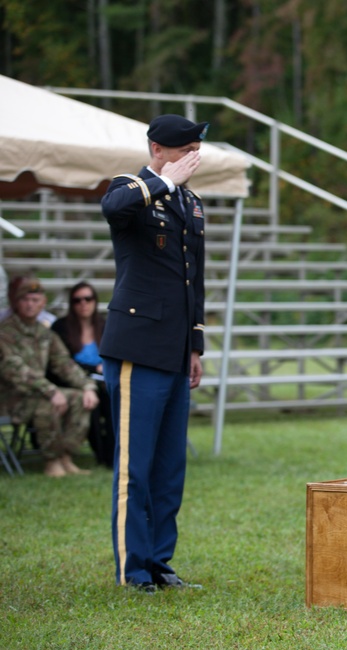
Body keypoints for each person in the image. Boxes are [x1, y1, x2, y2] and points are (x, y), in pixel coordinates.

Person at [100, 114, 207, 593]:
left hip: (173, 350)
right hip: (137, 349)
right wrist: (163, 180)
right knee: (135, 468)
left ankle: (160, 563)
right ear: (158, 149)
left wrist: (196, 346)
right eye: (185, 150)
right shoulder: (135, 187)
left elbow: (194, 282)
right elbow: (113, 210)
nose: (194, 158)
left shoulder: (191, 203)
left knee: (168, 470)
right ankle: (133, 569)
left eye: (195, 150)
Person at [0, 276, 100, 477]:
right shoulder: (5, 333)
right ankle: (51, 461)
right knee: (49, 404)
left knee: (80, 399)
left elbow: (64, 364)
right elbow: (14, 369)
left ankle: (66, 455)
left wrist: (87, 386)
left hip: (39, 394)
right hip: (11, 398)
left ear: (43, 303)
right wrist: (51, 390)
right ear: (16, 303)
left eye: (35, 300)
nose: (30, 305)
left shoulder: (44, 333)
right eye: (25, 300)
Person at [52, 281, 116, 468]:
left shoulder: (104, 326)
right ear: (71, 304)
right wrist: (91, 370)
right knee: (91, 403)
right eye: (77, 300)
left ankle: (113, 456)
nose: (83, 304)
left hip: (103, 381)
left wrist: (105, 367)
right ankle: (101, 454)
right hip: (74, 381)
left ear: (95, 301)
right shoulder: (60, 327)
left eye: (88, 299)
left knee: (113, 401)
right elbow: (60, 361)